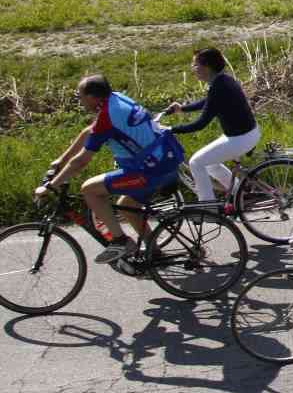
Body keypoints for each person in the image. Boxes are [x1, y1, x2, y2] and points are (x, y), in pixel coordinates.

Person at [35, 76, 186, 264]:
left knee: (89, 189)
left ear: (92, 97)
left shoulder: (108, 116)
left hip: (149, 171)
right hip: (164, 161)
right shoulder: (116, 99)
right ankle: (154, 252)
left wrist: (50, 186)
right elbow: (90, 131)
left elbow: (81, 161)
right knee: (128, 207)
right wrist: (60, 160)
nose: (80, 101)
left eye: (80, 96)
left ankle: (121, 241)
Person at [162, 47, 259, 206]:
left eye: (195, 65)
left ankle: (207, 206)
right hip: (245, 134)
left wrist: (171, 129)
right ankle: (239, 192)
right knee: (210, 163)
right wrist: (182, 108)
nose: (192, 69)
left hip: (240, 139)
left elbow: (200, 124)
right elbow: (207, 102)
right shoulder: (222, 80)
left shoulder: (219, 87)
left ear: (206, 67)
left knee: (196, 162)